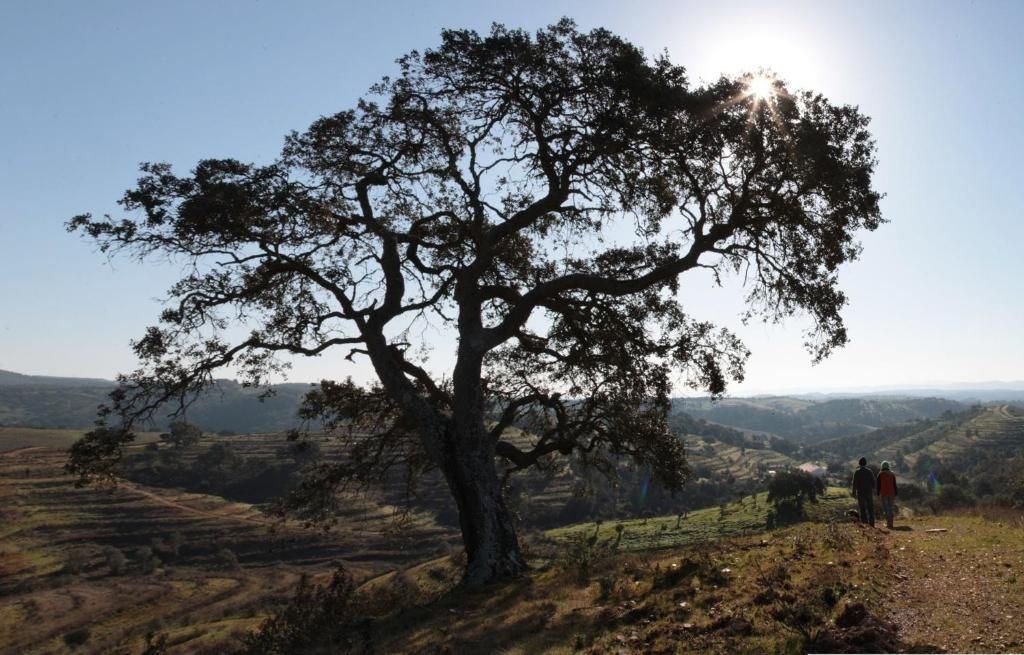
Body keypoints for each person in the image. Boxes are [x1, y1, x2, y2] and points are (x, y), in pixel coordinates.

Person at [851, 457, 876, 527]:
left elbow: (854, 483)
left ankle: (865, 523)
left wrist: (853, 492)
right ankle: (872, 523)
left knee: (862, 508)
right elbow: (873, 482)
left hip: (860, 492)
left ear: (859, 463)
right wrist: (873, 489)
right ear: (866, 463)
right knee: (870, 507)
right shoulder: (869, 471)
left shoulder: (857, 472)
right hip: (868, 491)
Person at [877, 460, 899, 528]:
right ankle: (891, 523)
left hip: (884, 493)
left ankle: (888, 523)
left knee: (886, 508)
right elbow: (894, 484)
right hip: (891, 493)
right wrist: (896, 493)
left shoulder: (880, 474)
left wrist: (878, 493)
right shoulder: (892, 474)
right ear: (888, 466)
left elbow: (878, 485)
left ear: (882, 466)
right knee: (891, 507)